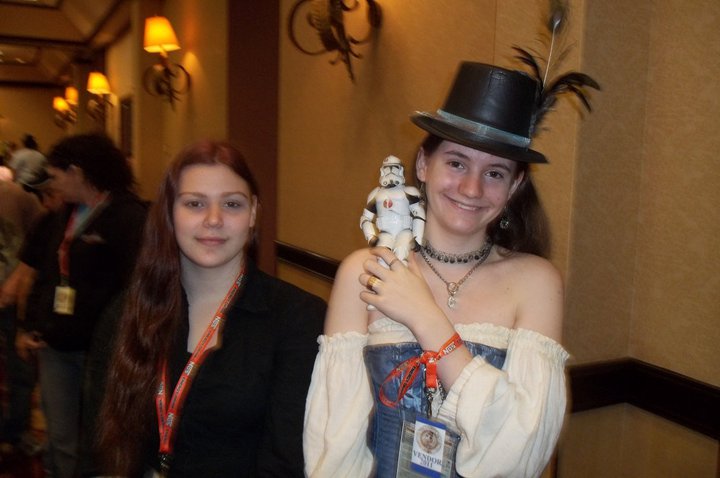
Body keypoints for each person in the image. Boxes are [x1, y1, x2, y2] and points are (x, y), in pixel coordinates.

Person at [304, 62, 587, 477]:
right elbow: (335, 447)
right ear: (423, 164)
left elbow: (519, 453)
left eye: (495, 173)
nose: (472, 188)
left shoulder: (536, 282)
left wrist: (426, 317)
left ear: (514, 187)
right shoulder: (364, 272)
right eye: (456, 163)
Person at [98, 140, 326, 477]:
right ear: (169, 213)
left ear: (253, 213)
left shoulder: (298, 318)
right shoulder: (126, 311)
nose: (214, 219)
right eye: (195, 204)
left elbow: (285, 462)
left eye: (232, 204)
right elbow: (98, 448)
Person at [15, 133, 148, 478]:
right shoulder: (61, 216)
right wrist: (31, 325)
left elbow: (137, 287)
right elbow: (45, 274)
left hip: (103, 352)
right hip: (57, 346)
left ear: (77, 172)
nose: (53, 184)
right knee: (61, 438)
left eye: (56, 176)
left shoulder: (128, 217)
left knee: (98, 440)